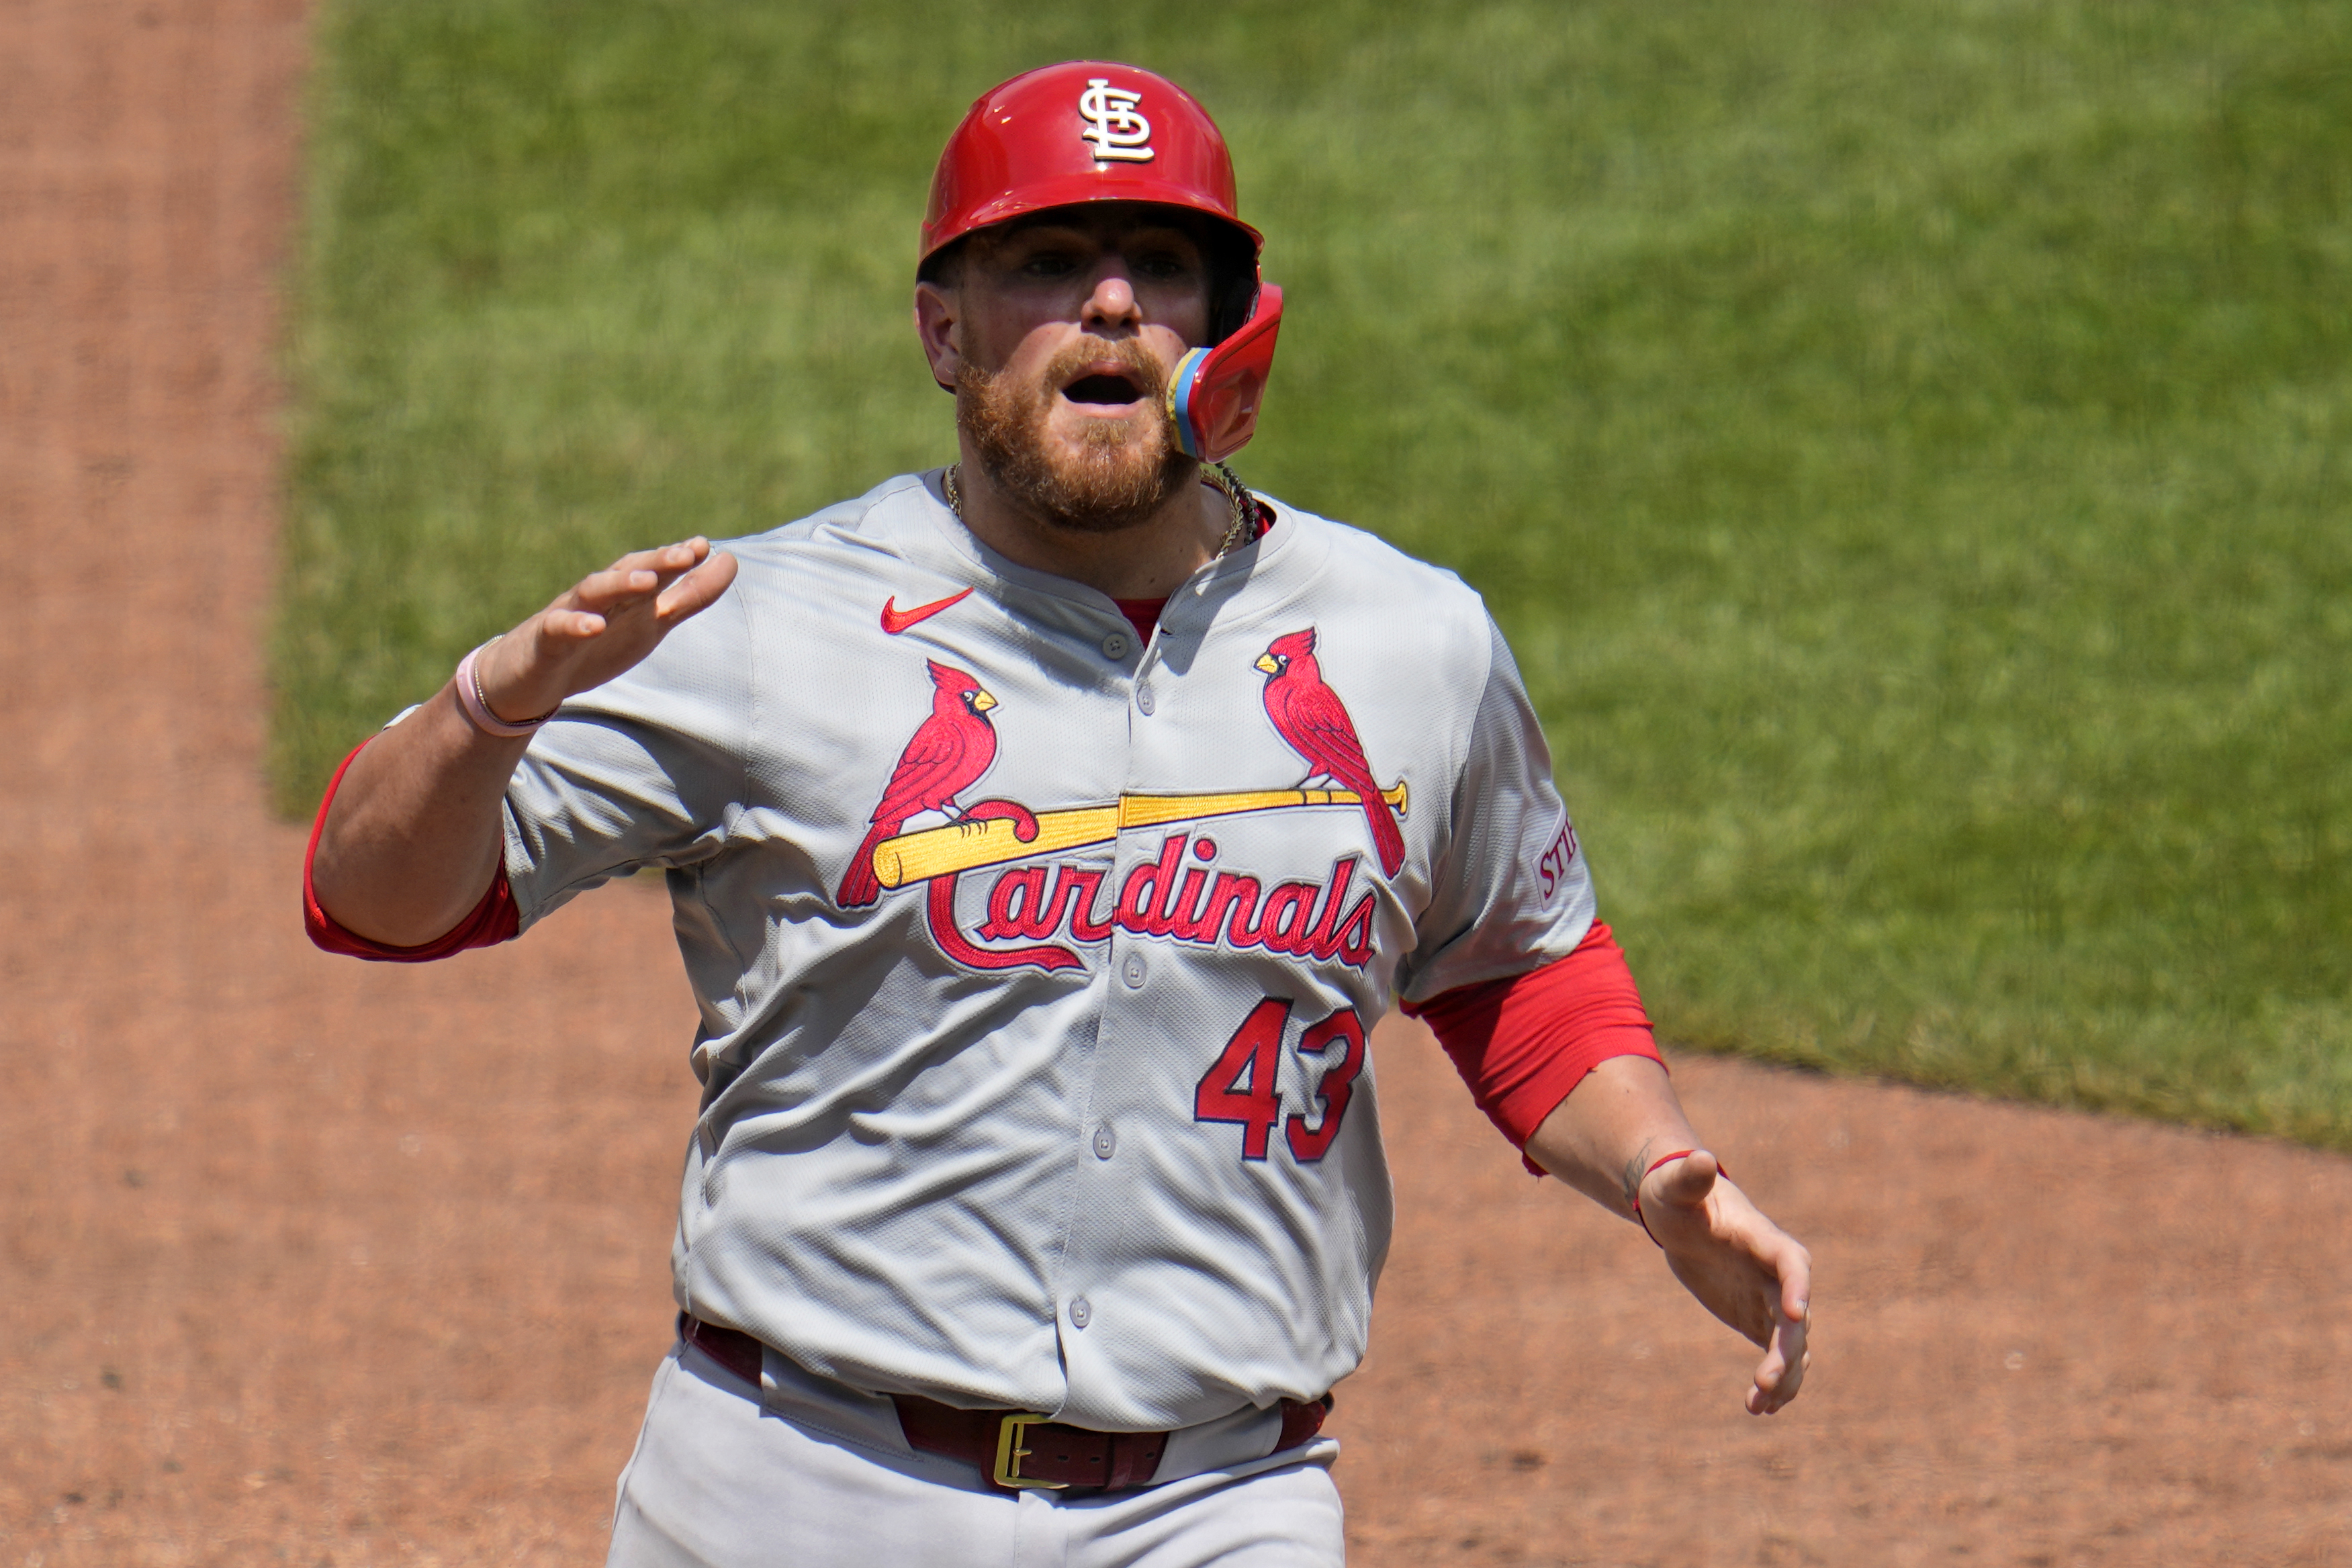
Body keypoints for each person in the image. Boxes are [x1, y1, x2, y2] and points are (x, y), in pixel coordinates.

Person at [306, 59, 1809, 1568]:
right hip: (794, 1488)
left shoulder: (1405, 638)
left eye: (1160, 268)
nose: (1108, 306)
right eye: (1043, 263)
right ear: (940, 328)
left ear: (1228, 327)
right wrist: (485, 712)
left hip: (1220, 1506)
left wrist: (1662, 1170)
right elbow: (370, 899)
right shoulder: (759, 624)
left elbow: (1512, 961)